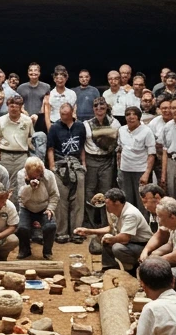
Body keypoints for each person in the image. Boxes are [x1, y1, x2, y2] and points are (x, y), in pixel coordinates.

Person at [76, 188, 152, 274]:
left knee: (117, 247)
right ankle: (109, 269)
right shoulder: (116, 210)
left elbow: (125, 238)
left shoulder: (130, 213)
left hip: (142, 245)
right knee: (104, 242)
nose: (106, 205)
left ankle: (132, 270)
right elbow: (110, 228)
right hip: (131, 242)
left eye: (107, 203)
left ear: (117, 203)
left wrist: (110, 239)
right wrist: (89, 231)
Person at [47, 101, 87, 244]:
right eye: (61, 114)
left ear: (71, 113)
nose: (63, 116)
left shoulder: (80, 126)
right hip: (60, 164)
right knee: (61, 201)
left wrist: (83, 164)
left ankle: (77, 232)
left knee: (78, 200)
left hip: (76, 163)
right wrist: (52, 167)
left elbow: (82, 146)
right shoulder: (54, 127)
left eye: (66, 114)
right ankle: (61, 232)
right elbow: (50, 148)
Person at [82, 97, 120, 226]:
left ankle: (106, 223)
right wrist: (84, 163)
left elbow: (116, 144)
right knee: (89, 191)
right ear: (93, 109)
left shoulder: (114, 123)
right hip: (91, 159)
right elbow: (83, 146)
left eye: (102, 107)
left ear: (106, 108)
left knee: (106, 191)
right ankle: (92, 223)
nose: (99, 109)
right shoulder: (87, 124)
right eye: (96, 107)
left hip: (107, 160)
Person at [15, 157, 59, 261]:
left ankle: (47, 251)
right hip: (26, 206)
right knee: (22, 228)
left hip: (44, 206)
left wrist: (50, 209)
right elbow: (21, 197)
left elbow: (54, 195)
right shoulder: (21, 174)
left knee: (50, 226)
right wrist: (29, 187)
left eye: (40, 175)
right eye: (35, 176)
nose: (38, 178)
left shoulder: (49, 175)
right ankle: (25, 250)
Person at [0, 95, 34, 195]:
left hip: (21, 156)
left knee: (20, 182)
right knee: (4, 182)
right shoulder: (1, 120)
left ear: (21, 107)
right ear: (8, 106)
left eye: (16, 106)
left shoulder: (27, 121)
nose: (13, 109)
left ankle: (18, 204)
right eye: (11, 106)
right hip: (5, 155)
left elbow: (31, 136)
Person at [117, 106, 156, 213]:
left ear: (139, 117)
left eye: (134, 114)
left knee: (142, 202)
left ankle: (144, 223)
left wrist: (146, 174)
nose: (131, 117)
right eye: (128, 114)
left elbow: (151, 154)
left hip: (140, 171)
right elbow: (120, 150)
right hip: (125, 171)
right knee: (127, 201)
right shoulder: (121, 130)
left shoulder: (147, 131)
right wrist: (119, 168)